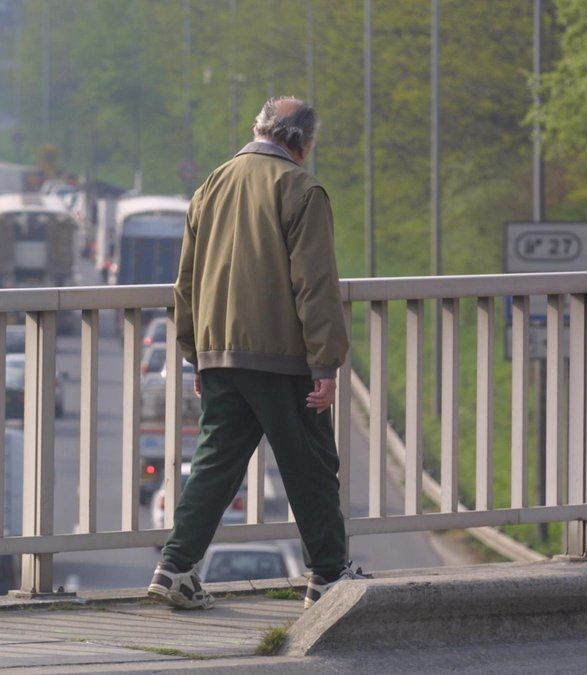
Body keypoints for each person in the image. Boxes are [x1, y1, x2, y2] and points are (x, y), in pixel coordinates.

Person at [148, 97, 364, 612]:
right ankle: (329, 576)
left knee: (215, 465)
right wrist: (325, 362)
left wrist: (194, 353)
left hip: (219, 352)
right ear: (303, 143)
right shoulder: (301, 189)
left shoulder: (212, 184)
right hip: (282, 357)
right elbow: (314, 283)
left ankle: (175, 568)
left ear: (259, 129)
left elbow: (186, 281)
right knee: (311, 465)